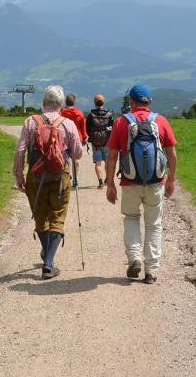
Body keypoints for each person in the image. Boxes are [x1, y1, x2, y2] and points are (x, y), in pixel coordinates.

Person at [105, 84, 177, 284]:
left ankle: (134, 257)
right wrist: (170, 180)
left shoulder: (121, 123)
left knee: (131, 218)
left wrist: (110, 184)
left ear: (131, 102)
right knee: (153, 225)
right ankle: (151, 271)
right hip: (155, 182)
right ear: (150, 102)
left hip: (129, 182)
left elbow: (111, 157)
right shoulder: (161, 121)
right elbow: (172, 154)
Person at [14, 85, 85, 279]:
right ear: (61, 105)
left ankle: (47, 254)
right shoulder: (67, 124)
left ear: (43, 103)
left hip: (35, 177)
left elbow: (20, 151)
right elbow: (78, 153)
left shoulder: (31, 122)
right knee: (57, 216)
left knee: (40, 216)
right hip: (59, 177)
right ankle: (48, 263)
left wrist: (19, 175)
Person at [60, 93, 88, 189]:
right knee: (75, 159)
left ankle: (66, 176)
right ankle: (75, 179)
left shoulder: (61, 113)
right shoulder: (79, 113)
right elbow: (82, 127)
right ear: (74, 101)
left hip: (64, 139)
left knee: (65, 158)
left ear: (65, 102)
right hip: (77, 138)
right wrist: (84, 138)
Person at [86, 94, 114, 189]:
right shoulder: (109, 115)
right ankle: (108, 179)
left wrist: (93, 137)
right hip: (107, 142)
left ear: (94, 103)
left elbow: (87, 130)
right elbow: (112, 129)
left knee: (98, 163)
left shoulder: (91, 115)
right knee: (107, 162)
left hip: (95, 143)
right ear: (104, 102)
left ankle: (100, 182)